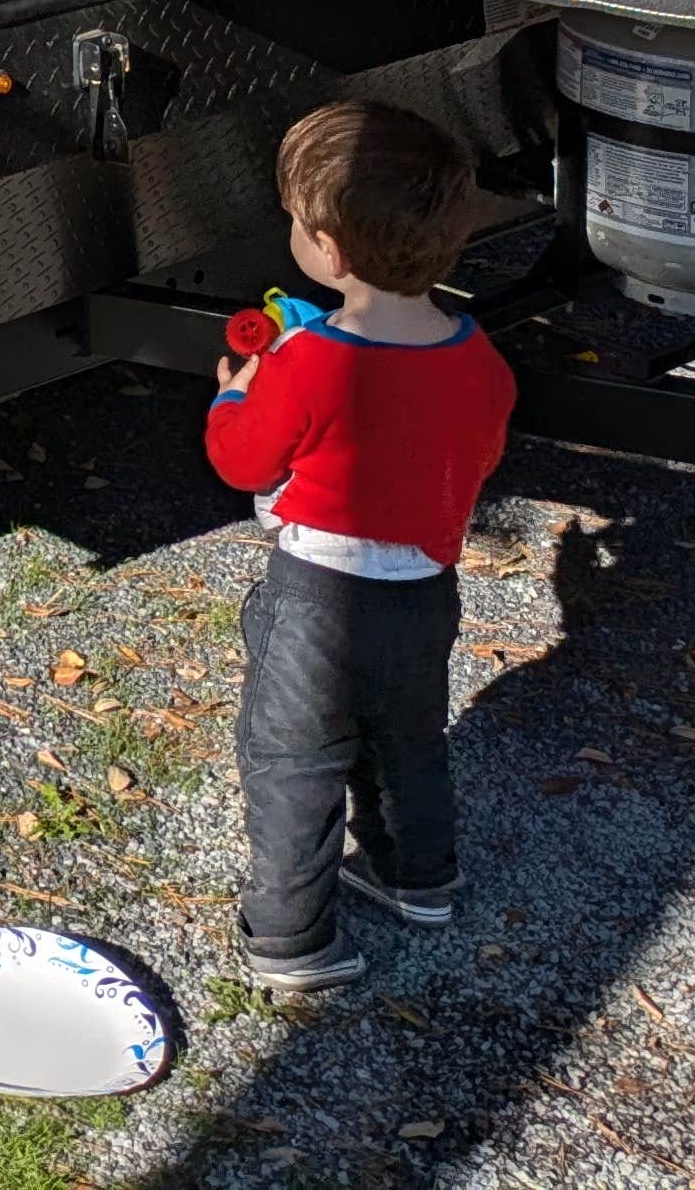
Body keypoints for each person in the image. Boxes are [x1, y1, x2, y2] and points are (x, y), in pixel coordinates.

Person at [206, 99, 516, 996]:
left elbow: (242, 460)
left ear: (329, 251)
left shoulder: (307, 362)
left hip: (317, 594)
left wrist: (235, 392)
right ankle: (420, 878)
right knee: (408, 738)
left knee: (294, 763)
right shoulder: (479, 358)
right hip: (422, 591)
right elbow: (479, 454)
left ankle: (291, 938)